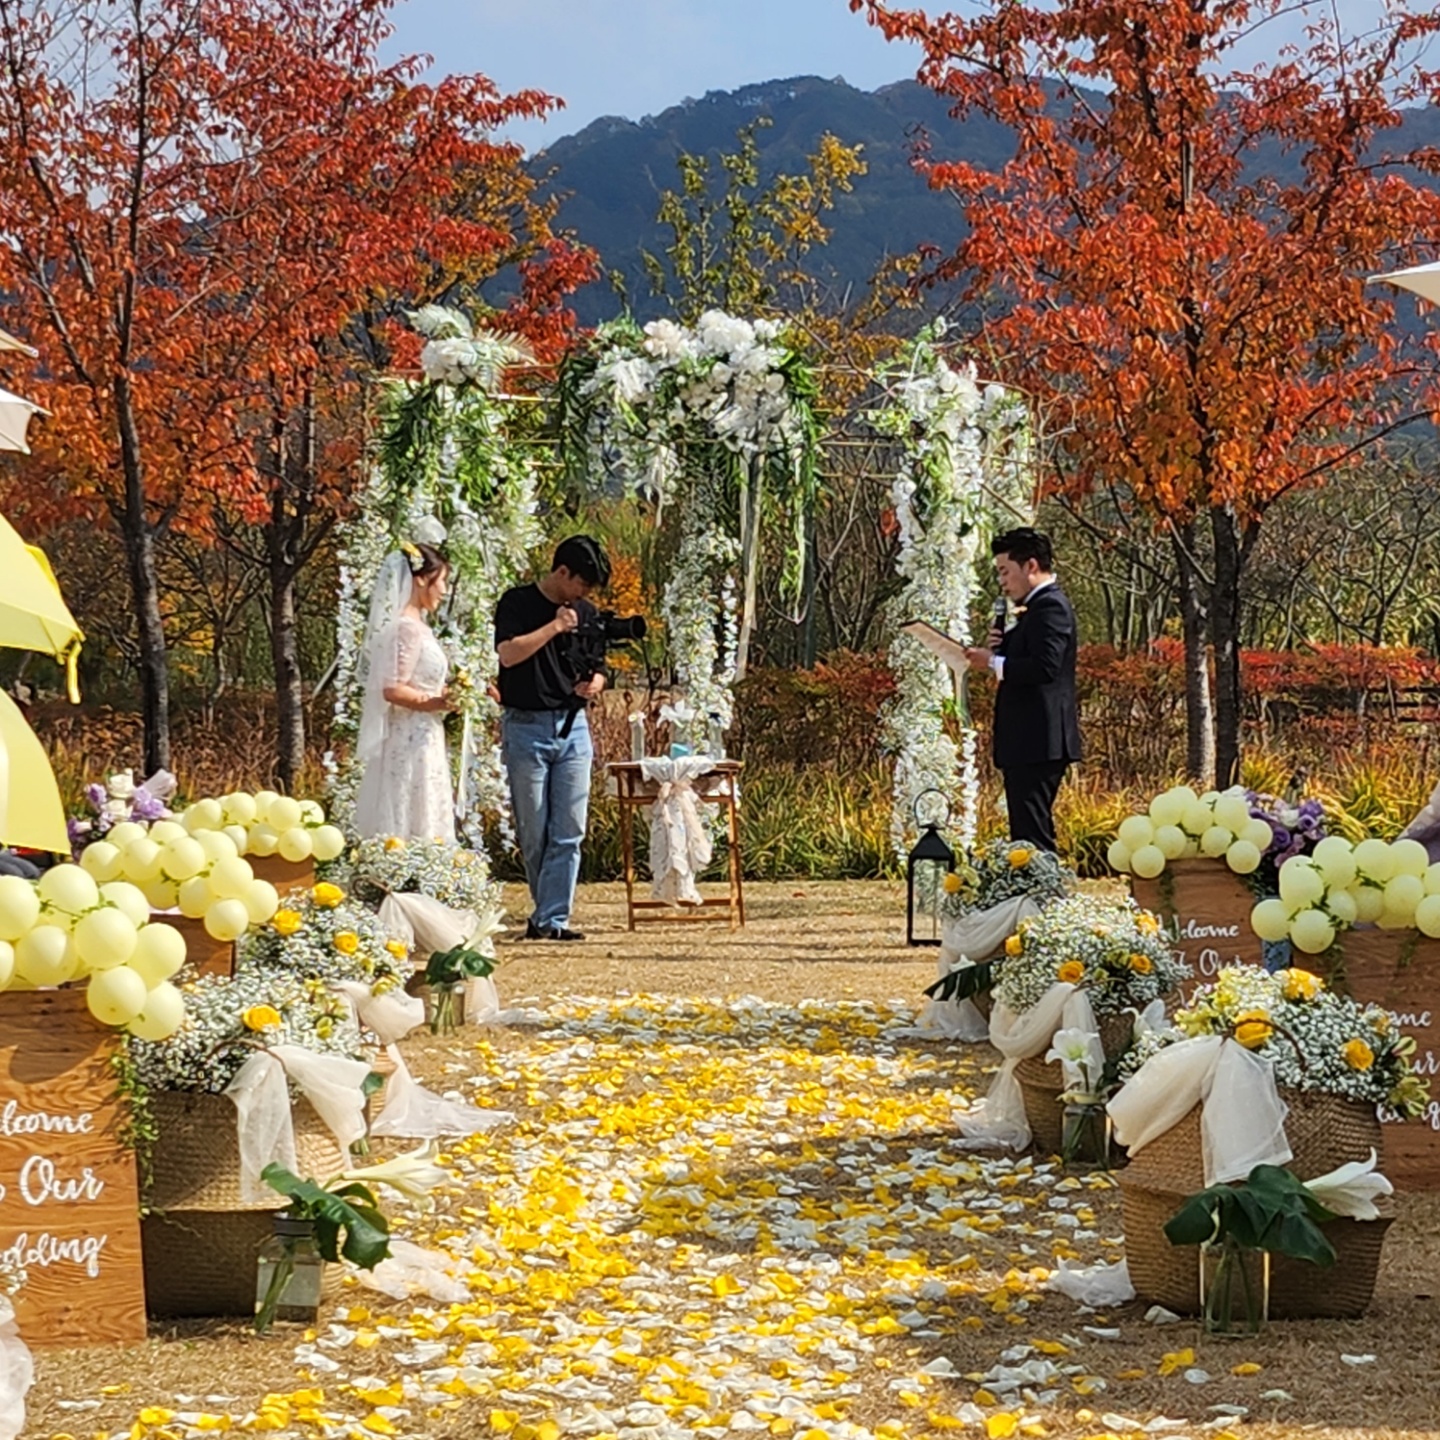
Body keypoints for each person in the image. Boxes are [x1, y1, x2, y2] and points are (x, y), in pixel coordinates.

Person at [494, 535, 610, 941]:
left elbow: (599, 664)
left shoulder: (586, 612)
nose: (584, 594)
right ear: (562, 571)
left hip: (573, 726)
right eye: (581, 584)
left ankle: (552, 919)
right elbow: (508, 654)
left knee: (570, 829)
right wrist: (555, 626)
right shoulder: (517, 603)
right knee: (535, 830)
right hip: (525, 726)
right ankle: (545, 916)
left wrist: (597, 682)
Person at [965, 527, 1081, 853]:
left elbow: (1045, 667)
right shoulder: (1034, 609)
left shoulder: (1051, 606)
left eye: (1005, 571)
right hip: (1028, 741)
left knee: (1033, 835)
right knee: (1026, 832)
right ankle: (1033, 883)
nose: (1001, 581)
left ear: (1030, 565)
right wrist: (1003, 649)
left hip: (1039, 740)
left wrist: (992, 662)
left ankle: (1044, 885)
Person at [353, 540, 456, 841]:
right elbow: (392, 688)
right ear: (422, 579)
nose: (445, 590)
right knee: (409, 808)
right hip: (409, 735)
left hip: (426, 733)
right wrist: (433, 702)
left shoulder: (419, 626)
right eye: (442, 580)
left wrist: (455, 694)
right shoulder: (407, 628)